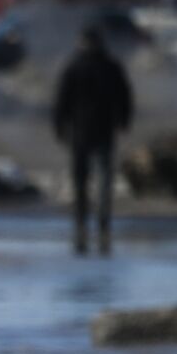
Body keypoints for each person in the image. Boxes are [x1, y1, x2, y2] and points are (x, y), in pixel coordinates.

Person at [53, 26, 133, 255]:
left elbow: (61, 101)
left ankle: (84, 222)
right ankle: (97, 222)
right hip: (99, 131)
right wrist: (124, 121)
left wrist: (60, 126)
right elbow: (125, 96)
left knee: (87, 180)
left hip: (85, 132)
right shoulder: (106, 66)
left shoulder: (79, 66)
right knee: (98, 180)